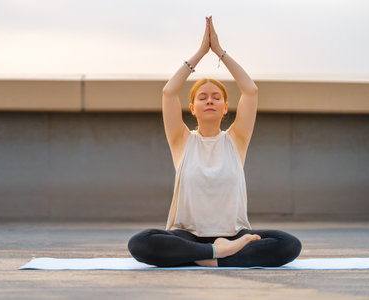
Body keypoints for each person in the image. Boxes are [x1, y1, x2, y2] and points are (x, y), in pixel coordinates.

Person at [128, 16, 302, 267]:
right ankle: (216, 254)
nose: (209, 100)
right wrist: (201, 52)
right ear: (192, 108)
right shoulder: (181, 140)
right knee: (141, 242)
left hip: (234, 235)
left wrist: (219, 52)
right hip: (186, 235)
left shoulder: (236, 139)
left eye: (216, 97)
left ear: (225, 108)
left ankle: (207, 256)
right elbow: (168, 92)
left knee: (289, 244)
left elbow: (251, 90)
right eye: (202, 97)